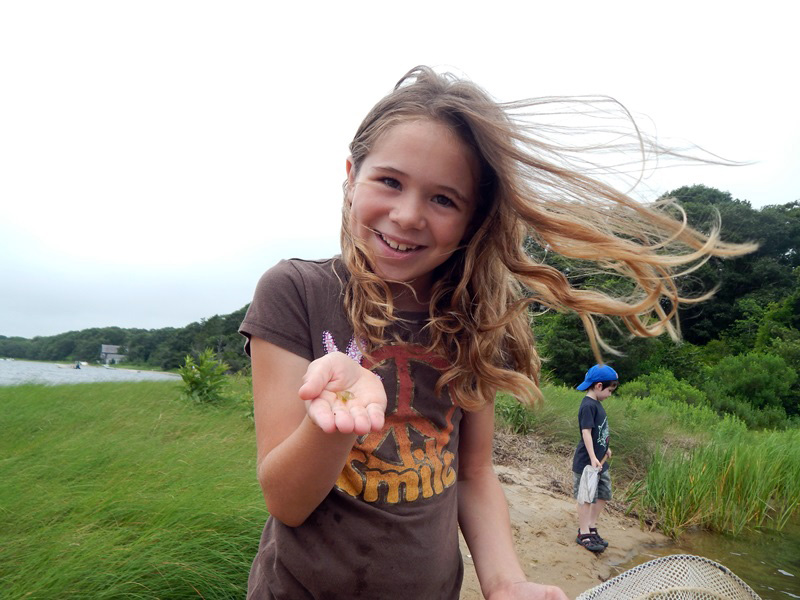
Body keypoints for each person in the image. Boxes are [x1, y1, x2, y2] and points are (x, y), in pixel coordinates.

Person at [239, 66, 754, 599]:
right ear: (351, 176)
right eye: (389, 181)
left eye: (444, 199)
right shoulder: (294, 291)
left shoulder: (477, 316)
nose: (408, 215)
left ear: (473, 219)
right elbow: (286, 501)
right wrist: (336, 419)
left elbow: (474, 473)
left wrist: (505, 582)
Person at [572, 364, 619, 554]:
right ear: (599, 386)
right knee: (586, 497)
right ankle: (583, 533)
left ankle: (591, 526)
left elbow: (600, 432)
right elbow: (586, 432)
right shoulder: (588, 406)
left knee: (603, 494)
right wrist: (592, 457)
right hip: (588, 462)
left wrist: (605, 450)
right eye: (610, 390)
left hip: (600, 461)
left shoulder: (597, 405)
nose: (610, 394)